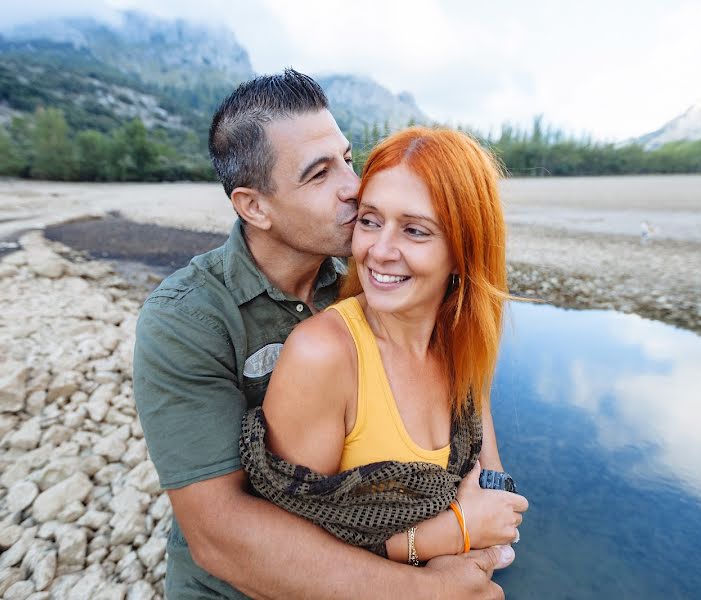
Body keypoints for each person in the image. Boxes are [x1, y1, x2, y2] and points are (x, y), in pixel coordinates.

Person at [134, 69, 514, 599]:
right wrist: (429, 582)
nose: (354, 189)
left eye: (348, 160)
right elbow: (220, 532)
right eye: (319, 175)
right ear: (254, 206)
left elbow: (469, 426)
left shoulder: (375, 285)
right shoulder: (189, 318)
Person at [241, 127, 528, 564]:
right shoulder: (323, 354)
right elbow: (293, 549)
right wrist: (452, 533)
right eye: (370, 221)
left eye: (414, 231)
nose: (379, 250)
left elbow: (491, 480)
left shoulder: (460, 341)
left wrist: (487, 535)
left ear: (464, 251)